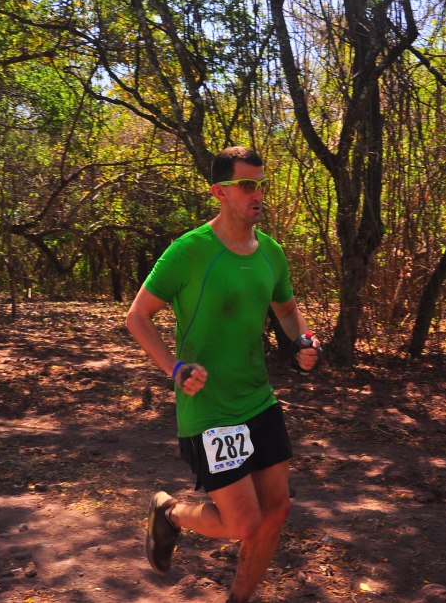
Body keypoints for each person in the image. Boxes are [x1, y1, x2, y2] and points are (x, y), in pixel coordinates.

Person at [126, 146, 319, 603]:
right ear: (220, 192)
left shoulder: (271, 252)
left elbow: (286, 310)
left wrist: (304, 340)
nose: (258, 194)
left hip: (258, 399)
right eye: (247, 185)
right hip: (210, 408)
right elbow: (137, 317)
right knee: (243, 523)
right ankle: (170, 513)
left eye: (261, 185)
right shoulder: (189, 251)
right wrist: (175, 369)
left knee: (276, 511)